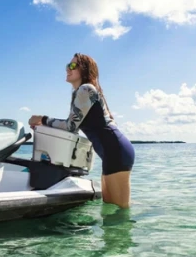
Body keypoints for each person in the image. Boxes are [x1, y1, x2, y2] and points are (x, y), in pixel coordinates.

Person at [29, 53, 134, 208]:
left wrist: (42, 119)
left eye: (73, 66)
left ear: (84, 70)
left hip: (116, 151)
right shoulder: (80, 92)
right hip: (111, 153)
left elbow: (70, 126)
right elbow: (73, 128)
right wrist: (45, 125)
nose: (68, 69)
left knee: (121, 212)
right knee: (110, 209)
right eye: (67, 65)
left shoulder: (86, 89)